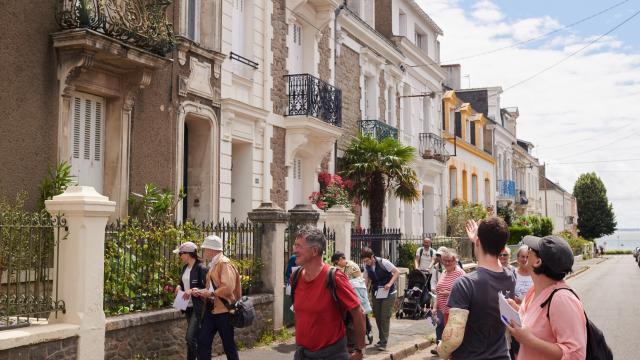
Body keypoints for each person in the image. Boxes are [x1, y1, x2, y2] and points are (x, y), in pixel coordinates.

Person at [437, 217, 516, 360]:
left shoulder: (465, 283)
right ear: (503, 248)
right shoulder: (510, 277)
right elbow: (492, 265)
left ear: (478, 242)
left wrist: (442, 350)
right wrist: (480, 241)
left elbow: (453, 338)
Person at [506, 235, 587, 360]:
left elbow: (576, 354)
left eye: (531, 250)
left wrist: (530, 341)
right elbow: (537, 323)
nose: (527, 251)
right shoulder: (534, 291)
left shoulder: (562, 299)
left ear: (538, 262)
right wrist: (515, 310)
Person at [292, 226, 365, 360]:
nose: (294, 250)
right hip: (302, 354)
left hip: (332, 354)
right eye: (294, 245)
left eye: (299, 246)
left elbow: (357, 311)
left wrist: (359, 349)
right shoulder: (296, 277)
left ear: (314, 251)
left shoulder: (335, 277)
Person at [193, 235, 241, 360]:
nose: (204, 251)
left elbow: (228, 286)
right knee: (203, 341)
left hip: (224, 311)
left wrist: (211, 294)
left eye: (205, 248)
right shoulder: (215, 263)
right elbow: (214, 287)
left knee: (228, 344)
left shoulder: (224, 263)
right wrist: (203, 291)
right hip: (212, 309)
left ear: (211, 249)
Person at [173, 241, 209, 360]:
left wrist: (193, 290)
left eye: (180, 254)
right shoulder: (185, 267)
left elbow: (207, 288)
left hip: (198, 307)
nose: (180, 256)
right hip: (187, 306)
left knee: (189, 337)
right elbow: (182, 283)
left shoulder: (201, 268)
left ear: (188, 254)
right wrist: (178, 287)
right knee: (193, 338)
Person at [360, 247, 400, 351]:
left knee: (385, 316)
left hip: (389, 292)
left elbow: (397, 272)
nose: (366, 263)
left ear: (372, 257)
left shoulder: (384, 262)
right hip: (377, 292)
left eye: (367, 260)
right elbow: (366, 280)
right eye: (364, 261)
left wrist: (389, 283)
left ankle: (383, 342)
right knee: (377, 316)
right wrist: (363, 293)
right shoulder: (366, 266)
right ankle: (381, 339)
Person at [331, 251, 374, 346]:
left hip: (356, 295)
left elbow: (359, 282)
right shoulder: (339, 268)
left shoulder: (352, 266)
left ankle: (367, 332)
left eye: (336, 262)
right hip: (347, 295)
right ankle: (352, 339)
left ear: (342, 259)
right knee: (352, 318)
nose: (336, 264)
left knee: (362, 316)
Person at [430, 248, 465, 356]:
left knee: (451, 336)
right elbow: (439, 292)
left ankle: (450, 354)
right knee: (439, 328)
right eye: (445, 260)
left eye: (450, 261)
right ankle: (440, 349)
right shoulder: (444, 272)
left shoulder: (460, 273)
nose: (447, 263)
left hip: (453, 311)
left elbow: (464, 293)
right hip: (441, 308)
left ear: (455, 261)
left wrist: (448, 293)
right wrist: (435, 307)